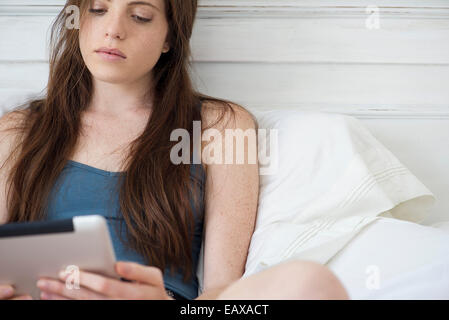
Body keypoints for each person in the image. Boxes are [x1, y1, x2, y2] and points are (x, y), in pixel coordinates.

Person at [0, 0, 348, 300]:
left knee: (310, 283)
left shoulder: (220, 125)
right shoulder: (19, 130)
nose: (113, 30)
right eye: (98, 9)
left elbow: (222, 289)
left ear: (170, 36)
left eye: (140, 16)